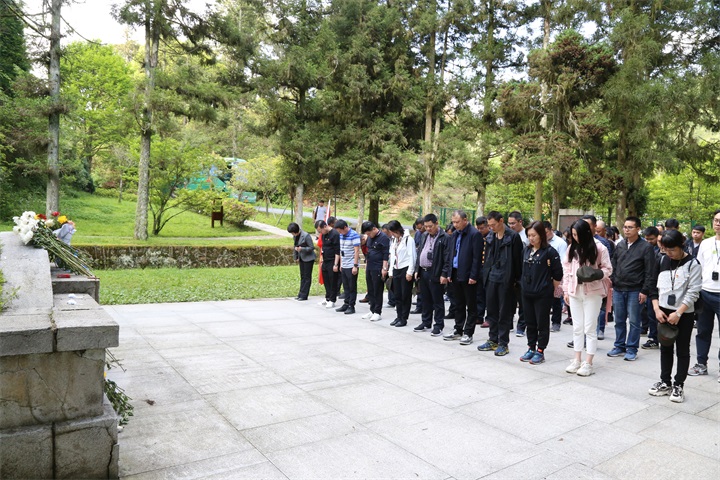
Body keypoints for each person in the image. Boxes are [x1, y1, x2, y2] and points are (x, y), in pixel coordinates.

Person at [647, 229, 702, 403]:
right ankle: (665, 382)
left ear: (681, 245)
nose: (669, 253)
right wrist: (656, 309)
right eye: (665, 249)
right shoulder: (662, 259)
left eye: (672, 250)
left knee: (682, 350)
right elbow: (652, 285)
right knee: (665, 348)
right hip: (663, 312)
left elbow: (694, 292)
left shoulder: (693, 264)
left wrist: (678, 313)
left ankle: (679, 385)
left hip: (684, 313)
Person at [563, 220, 612, 376]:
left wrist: (596, 274)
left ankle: (588, 362)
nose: (575, 237)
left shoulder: (599, 248)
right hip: (574, 291)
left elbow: (608, 269)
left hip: (593, 292)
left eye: (577, 234)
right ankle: (576, 359)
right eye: (573, 235)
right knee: (577, 327)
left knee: (590, 328)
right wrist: (566, 291)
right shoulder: (571, 248)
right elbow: (566, 269)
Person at [607, 216, 656, 362]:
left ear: (638, 229)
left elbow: (650, 271)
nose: (627, 230)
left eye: (630, 227)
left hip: (635, 289)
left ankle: (632, 348)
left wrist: (645, 291)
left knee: (634, 321)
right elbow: (613, 264)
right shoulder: (620, 245)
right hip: (618, 288)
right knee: (619, 320)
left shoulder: (646, 247)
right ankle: (619, 345)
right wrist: (613, 280)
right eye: (625, 227)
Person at [478, 211, 523, 356]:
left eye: (493, 225)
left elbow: (518, 261)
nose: (491, 228)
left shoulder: (513, 237)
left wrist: (516, 281)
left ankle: (503, 343)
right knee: (491, 311)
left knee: (504, 313)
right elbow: (487, 258)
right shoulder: (490, 236)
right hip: (491, 277)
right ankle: (493, 340)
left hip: (506, 279)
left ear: (501, 221)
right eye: (489, 225)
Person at [519, 221, 563, 365]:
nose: (531, 238)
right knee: (530, 322)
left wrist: (548, 287)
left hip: (542, 294)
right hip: (527, 293)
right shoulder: (526, 250)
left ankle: (540, 350)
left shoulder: (550, 252)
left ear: (541, 235)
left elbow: (558, 274)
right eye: (529, 235)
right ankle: (531, 347)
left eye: (534, 235)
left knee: (542, 323)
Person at [441, 211, 482, 345]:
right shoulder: (455, 234)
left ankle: (468, 332)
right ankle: (458, 329)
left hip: (468, 274)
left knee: (471, 305)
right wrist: (448, 273)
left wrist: (474, 275)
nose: (455, 224)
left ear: (465, 220)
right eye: (453, 222)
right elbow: (450, 254)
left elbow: (477, 258)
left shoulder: (474, 234)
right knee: (458, 304)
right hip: (455, 273)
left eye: (457, 222)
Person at [688, 209, 720, 381]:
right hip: (705, 292)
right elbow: (698, 267)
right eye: (716, 220)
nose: (718, 223)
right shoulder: (706, 243)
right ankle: (701, 364)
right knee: (702, 331)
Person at [414, 213, 452, 335]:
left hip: (435, 272)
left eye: (430, 226)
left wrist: (444, 273)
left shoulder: (444, 237)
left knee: (437, 301)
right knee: (425, 299)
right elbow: (420, 252)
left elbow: (447, 257)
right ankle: (426, 322)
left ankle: (438, 325)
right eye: (426, 226)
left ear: (436, 223)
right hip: (423, 271)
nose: (428, 229)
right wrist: (417, 269)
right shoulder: (424, 235)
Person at [387, 220, 416, 327]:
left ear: (397, 230)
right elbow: (392, 256)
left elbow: (412, 256)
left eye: (393, 232)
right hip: (396, 269)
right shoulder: (394, 240)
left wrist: (410, 272)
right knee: (397, 295)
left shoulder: (408, 239)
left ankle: (404, 318)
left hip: (405, 269)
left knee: (405, 295)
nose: (392, 234)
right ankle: (398, 316)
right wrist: (391, 270)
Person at [360, 221, 389, 322]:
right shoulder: (369, 238)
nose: (368, 235)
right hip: (370, 266)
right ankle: (372, 310)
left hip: (378, 267)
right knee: (371, 289)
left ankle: (377, 312)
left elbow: (386, 254)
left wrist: (384, 268)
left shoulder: (383, 237)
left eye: (369, 233)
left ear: (374, 229)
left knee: (377, 290)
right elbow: (369, 252)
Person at [334, 219, 361, 315]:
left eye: (340, 231)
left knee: (352, 286)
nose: (340, 233)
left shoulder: (354, 235)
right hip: (344, 264)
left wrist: (355, 265)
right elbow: (341, 250)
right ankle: (346, 303)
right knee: (345, 286)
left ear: (345, 227)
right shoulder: (341, 235)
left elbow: (356, 251)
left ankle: (351, 306)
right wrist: (341, 264)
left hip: (351, 264)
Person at [545, 221, 567, 332]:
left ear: (551, 230)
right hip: (543, 276)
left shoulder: (560, 243)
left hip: (556, 275)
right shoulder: (540, 242)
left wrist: (558, 277)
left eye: (546, 232)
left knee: (556, 300)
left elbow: (563, 261)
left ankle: (556, 322)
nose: (544, 235)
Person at [508, 211, 527, 337]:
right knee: (509, 300)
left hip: (523, 272)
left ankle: (521, 326)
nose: (511, 226)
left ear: (520, 222)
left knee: (522, 302)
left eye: (513, 223)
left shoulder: (527, 236)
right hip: (510, 272)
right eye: (509, 223)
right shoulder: (508, 235)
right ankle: (508, 323)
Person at [287, 222, 316, 301]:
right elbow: (295, 246)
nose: (292, 234)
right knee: (302, 276)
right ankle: (300, 294)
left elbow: (311, 247)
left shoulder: (306, 235)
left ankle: (304, 295)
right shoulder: (295, 236)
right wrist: (296, 257)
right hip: (301, 258)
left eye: (293, 233)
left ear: (296, 231)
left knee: (307, 277)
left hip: (308, 258)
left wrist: (302, 249)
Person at [315, 219, 341, 308]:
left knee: (332, 280)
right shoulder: (323, 235)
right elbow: (323, 247)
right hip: (325, 260)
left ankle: (332, 299)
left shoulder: (335, 234)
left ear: (325, 226)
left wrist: (336, 264)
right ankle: (327, 298)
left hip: (333, 260)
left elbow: (337, 250)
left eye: (320, 230)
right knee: (326, 280)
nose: (320, 233)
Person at [476, 216, 491, 328]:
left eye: (482, 228)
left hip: (489, 269)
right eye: (478, 228)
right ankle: (479, 316)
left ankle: (489, 318)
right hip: (479, 268)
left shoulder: (493, 237)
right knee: (479, 293)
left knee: (489, 295)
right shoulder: (478, 237)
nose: (480, 230)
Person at [410, 217, 426, 314]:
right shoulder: (418, 234)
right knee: (418, 285)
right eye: (418, 228)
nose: (419, 230)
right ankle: (419, 305)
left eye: (421, 228)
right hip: (418, 261)